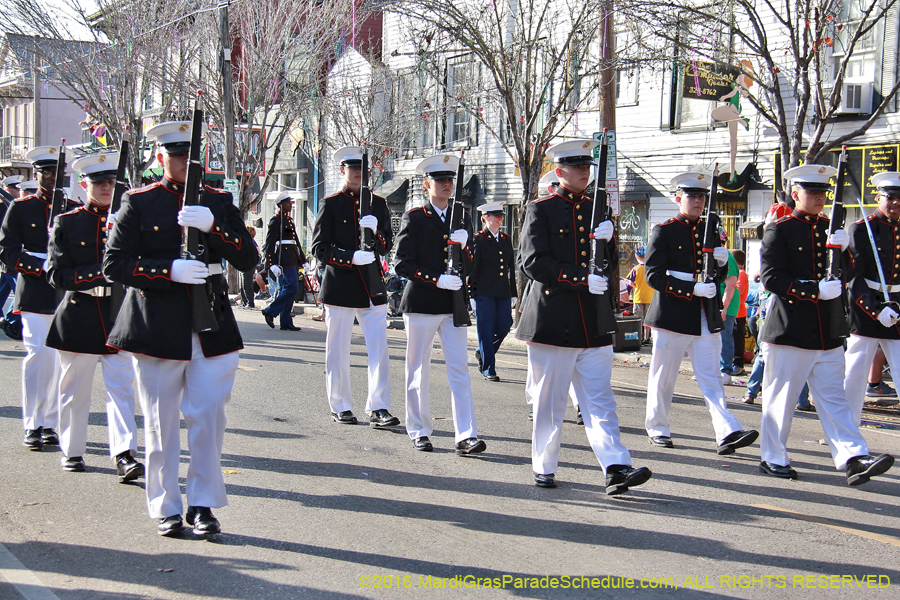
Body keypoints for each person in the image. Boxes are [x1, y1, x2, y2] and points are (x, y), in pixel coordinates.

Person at [104, 120, 259, 535]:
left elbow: (248, 258)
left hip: (210, 323)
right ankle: (165, 505)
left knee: (208, 418)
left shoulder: (219, 201)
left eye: (189, 156)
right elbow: (115, 264)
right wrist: (167, 269)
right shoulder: (139, 202)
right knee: (160, 422)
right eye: (174, 155)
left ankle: (203, 503)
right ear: (160, 158)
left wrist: (215, 227)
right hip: (157, 323)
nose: (183, 163)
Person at [516, 139, 651, 494]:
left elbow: (603, 261)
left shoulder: (597, 207)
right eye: (577, 167)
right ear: (559, 172)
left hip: (592, 321)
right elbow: (532, 262)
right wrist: (578, 278)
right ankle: (544, 465)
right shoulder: (540, 209)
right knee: (550, 401)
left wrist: (608, 240)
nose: (584, 172)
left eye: (587, 167)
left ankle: (616, 465)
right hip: (553, 318)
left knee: (600, 399)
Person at [759, 164, 893, 485]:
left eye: (823, 192)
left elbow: (847, 273)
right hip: (790, 328)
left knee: (835, 400)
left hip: (827, 329)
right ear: (796, 194)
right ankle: (773, 455)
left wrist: (846, 251)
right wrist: (812, 289)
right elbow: (771, 278)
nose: (819, 197)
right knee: (782, 398)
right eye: (812, 191)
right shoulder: (780, 229)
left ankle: (853, 455)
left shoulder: (828, 228)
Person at [643, 172, 758, 455]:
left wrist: (720, 264)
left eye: (701, 196)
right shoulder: (664, 230)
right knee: (663, 376)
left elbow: (713, 273)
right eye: (691, 196)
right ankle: (657, 427)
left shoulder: (710, 227)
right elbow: (653, 276)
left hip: (705, 312)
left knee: (711, 375)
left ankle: (727, 430)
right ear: (678, 198)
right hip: (672, 311)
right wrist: (690, 288)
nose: (697, 201)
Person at [46, 152, 143, 479]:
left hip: (117, 314)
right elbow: (57, 275)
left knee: (122, 390)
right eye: (98, 181)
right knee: (74, 390)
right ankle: (72, 450)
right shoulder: (68, 222)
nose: (105, 187)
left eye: (111, 181)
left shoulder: (126, 222)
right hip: (80, 314)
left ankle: (124, 453)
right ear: (84, 183)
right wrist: (102, 273)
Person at [393, 153, 485, 454]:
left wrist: (464, 248)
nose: (447, 185)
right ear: (426, 184)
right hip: (421, 302)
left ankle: (466, 434)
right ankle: (418, 429)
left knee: (459, 369)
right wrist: (435, 279)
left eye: (450, 180)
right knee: (418, 369)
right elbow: (402, 265)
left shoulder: (462, 217)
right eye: (440, 180)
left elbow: (469, 266)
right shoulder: (416, 217)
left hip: (453, 304)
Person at [311, 146, 397, 427]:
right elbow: (319, 249)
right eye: (352, 168)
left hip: (371, 285)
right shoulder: (331, 203)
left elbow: (387, 244)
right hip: (340, 285)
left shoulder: (378, 203)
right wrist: (349, 257)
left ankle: (379, 405)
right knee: (337, 349)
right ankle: (340, 405)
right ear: (342, 171)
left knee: (379, 349)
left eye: (362, 168)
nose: (358, 173)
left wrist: (374, 234)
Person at [0, 146, 73, 450]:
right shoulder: (21, 208)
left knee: (59, 359)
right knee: (38, 356)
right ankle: (33, 423)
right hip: (33, 290)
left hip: (64, 294)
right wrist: (38, 264)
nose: (53, 178)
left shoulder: (72, 207)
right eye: (46, 173)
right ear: (37, 175)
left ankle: (52, 424)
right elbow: (7, 251)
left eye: (58, 173)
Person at [844, 171, 900, 422]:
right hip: (866, 309)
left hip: (898, 307)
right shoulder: (860, 229)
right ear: (879, 198)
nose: (896, 203)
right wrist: (876, 310)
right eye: (890, 197)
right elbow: (854, 278)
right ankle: (845, 428)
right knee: (855, 375)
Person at [468, 201, 516, 381]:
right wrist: (471, 293)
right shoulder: (478, 239)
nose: (500, 218)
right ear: (486, 218)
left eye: (501, 215)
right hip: (483, 292)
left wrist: (513, 292)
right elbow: (473, 268)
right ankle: (489, 368)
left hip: (502, 291)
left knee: (505, 325)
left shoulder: (506, 238)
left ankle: (482, 351)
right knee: (486, 330)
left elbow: (511, 266)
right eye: (497, 216)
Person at [261, 192, 307, 331]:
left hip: (292, 256)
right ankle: (270, 310)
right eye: (288, 203)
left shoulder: (290, 220)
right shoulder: (276, 221)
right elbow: (269, 244)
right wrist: (272, 263)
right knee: (292, 286)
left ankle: (286, 321)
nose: (291, 204)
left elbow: (296, 242)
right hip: (283, 257)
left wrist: (303, 260)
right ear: (280, 205)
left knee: (290, 290)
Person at [718, 234, 740, 384]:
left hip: (726, 304)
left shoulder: (727, 258)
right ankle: (713, 369)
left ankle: (725, 371)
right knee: (712, 339)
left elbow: (730, 285)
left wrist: (724, 309)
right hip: (712, 303)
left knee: (724, 338)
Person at [626, 245, 654, 345]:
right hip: (650, 297)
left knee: (638, 319)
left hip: (638, 297)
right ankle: (647, 338)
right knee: (648, 319)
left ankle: (639, 337)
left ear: (637, 257)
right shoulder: (650, 268)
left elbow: (630, 282)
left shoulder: (635, 269)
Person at [732, 249, 749, 374]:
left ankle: (738, 363)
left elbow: (738, 290)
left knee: (738, 339)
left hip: (738, 311)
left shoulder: (741, 273)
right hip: (735, 310)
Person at [238, 225, 258, 309]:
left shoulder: (251, 242)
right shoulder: (245, 241)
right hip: (243, 264)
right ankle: (244, 301)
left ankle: (250, 303)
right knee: (242, 285)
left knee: (247, 285)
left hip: (249, 265)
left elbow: (257, 251)